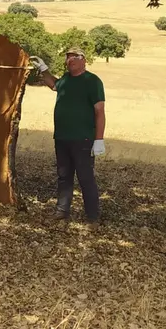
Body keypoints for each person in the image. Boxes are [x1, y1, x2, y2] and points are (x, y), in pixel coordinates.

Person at [30, 48, 106, 225]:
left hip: (83, 139)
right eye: (68, 58)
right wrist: (43, 69)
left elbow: (99, 111)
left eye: (75, 57)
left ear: (83, 60)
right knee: (64, 176)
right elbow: (54, 85)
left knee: (85, 177)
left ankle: (93, 216)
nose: (70, 60)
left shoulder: (92, 81)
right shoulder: (66, 79)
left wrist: (99, 139)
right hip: (62, 137)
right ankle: (62, 210)